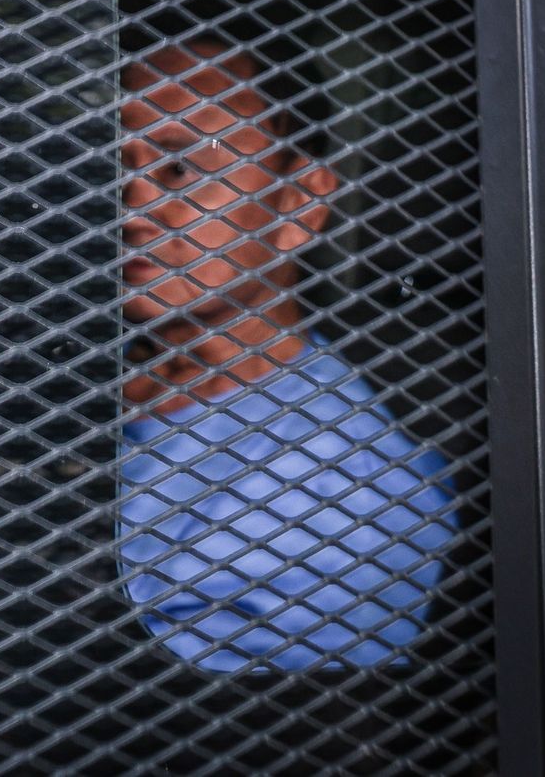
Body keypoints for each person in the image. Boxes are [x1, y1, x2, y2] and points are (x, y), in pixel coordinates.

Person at [118, 39, 459, 672]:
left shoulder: (344, 496)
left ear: (299, 202)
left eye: (182, 167)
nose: (132, 207)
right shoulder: (73, 379)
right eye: (109, 167)